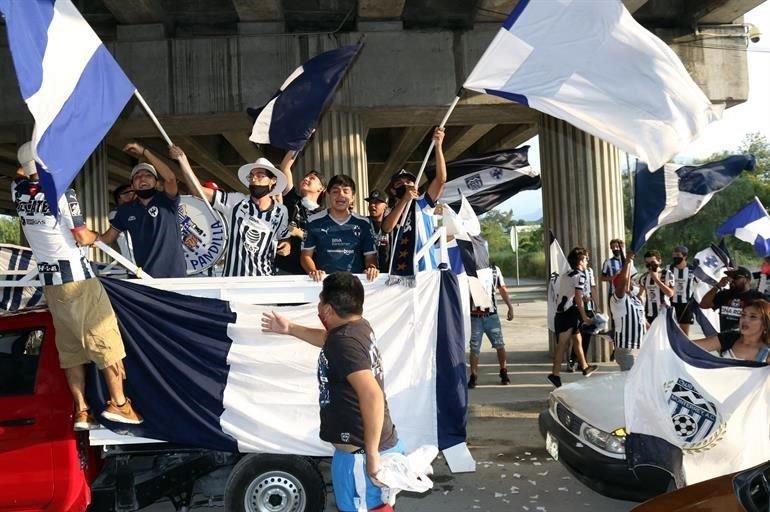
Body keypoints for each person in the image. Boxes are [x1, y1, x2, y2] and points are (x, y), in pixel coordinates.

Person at [13, 145, 142, 430]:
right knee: (106, 339)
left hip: (51, 284)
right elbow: (82, 236)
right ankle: (119, 403)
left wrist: (31, 164)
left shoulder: (18, 193)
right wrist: (97, 236)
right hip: (78, 279)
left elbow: (21, 173)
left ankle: (82, 411)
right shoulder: (61, 193)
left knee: (70, 349)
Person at [261, 272, 403, 511]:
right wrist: (290, 329)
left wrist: (371, 456)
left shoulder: (345, 343)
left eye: (319, 301)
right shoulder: (356, 327)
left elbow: (372, 396)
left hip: (361, 454)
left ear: (327, 309)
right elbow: (328, 338)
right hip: (353, 454)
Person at [178, 148, 291, 277]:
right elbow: (199, 192)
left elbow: (284, 237)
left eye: (260, 175)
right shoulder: (236, 201)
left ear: (273, 180)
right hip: (233, 281)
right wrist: (183, 161)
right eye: (252, 176)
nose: (254, 179)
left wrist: (287, 245)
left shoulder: (281, 211)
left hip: (263, 281)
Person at [100, 143, 187, 278]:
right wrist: (82, 235)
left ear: (157, 183)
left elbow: (170, 178)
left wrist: (145, 152)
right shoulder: (125, 210)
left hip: (175, 277)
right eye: (137, 177)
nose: (142, 178)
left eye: (148, 175)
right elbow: (107, 238)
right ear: (132, 185)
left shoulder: (167, 200)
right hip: (146, 278)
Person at [381, 127, 446, 273]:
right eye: (399, 183)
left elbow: (441, 180)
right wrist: (404, 199)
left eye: (409, 182)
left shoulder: (423, 203)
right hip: (400, 272)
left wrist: (438, 146)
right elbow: (387, 228)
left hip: (426, 269)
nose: (405, 184)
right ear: (392, 190)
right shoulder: (390, 211)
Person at [301, 175, 379, 282]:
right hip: (324, 283)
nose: (340, 195)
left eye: (346, 191)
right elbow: (305, 256)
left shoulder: (363, 223)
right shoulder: (313, 221)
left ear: (353, 197)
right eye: (335, 191)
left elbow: (370, 256)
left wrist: (371, 268)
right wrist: (313, 271)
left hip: (354, 283)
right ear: (328, 195)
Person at [548, 247, 598, 388]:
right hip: (568, 313)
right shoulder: (580, 276)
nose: (587, 261)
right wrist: (584, 316)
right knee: (562, 345)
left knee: (577, 340)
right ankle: (555, 374)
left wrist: (585, 298)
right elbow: (577, 297)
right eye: (585, 259)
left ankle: (584, 366)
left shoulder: (567, 274)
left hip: (565, 312)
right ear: (580, 261)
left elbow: (571, 293)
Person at [467, 263, 514, 388]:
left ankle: (503, 371)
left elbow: (502, 289)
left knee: (499, 344)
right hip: (474, 316)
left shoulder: (494, 270)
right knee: (475, 347)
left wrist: (510, 306)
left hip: (491, 315)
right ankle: (473, 375)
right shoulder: (468, 269)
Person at [277, 169, 326, 275]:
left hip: (311, 271)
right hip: (284, 267)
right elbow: (285, 167)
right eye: (305, 177)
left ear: (321, 188)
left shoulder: (325, 215)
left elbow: (325, 244)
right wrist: (294, 151)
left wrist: (301, 233)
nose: (306, 179)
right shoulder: (292, 200)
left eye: (312, 178)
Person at [692, 300, 770, 363]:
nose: (745, 320)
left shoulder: (767, 352)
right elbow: (691, 347)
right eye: (743, 315)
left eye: (753, 317)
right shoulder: (729, 338)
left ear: (765, 324)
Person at [610, 246, 646, 371]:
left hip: (639, 349)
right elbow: (622, 283)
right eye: (631, 279)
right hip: (626, 349)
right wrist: (627, 263)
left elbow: (643, 322)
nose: (633, 281)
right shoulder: (618, 299)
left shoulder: (636, 299)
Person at [699, 266, 764, 333]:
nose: (732, 281)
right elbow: (704, 305)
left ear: (747, 280)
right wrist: (717, 286)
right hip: (726, 338)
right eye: (730, 277)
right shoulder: (724, 295)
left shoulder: (757, 297)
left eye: (736, 277)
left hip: (749, 339)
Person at [568, 251, 598, 372]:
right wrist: (579, 298)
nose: (587, 259)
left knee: (587, 335)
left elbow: (593, 287)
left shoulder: (589, 271)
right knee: (576, 335)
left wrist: (596, 304)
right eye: (585, 257)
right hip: (576, 306)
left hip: (588, 305)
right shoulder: (573, 273)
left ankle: (583, 361)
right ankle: (572, 360)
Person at [639, 250, 674, 325]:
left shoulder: (667, 274)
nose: (650, 265)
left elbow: (670, 293)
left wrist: (656, 279)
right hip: (649, 313)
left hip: (664, 313)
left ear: (659, 261)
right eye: (647, 263)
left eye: (653, 262)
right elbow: (640, 295)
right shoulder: (644, 277)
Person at [669, 245, 696, 335]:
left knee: (684, 333)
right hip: (671, 303)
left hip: (686, 304)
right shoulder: (669, 269)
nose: (675, 257)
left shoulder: (693, 270)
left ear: (685, 256)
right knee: (670, 331)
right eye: (673, 255)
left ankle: (684, 349)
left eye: (677, 255)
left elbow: (700, 284)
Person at [108, 184, 136, 264]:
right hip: (134, 266)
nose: (134, 195)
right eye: (131, 192)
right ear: (122, 197)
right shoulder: (116, 214)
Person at [365, 189, 391, 272]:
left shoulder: (392, 224)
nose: (372, 205)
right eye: (370, 202)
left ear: (386, 206)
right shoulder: (363, 224)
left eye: (377, 202)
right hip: (368, 274)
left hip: (389, 274)